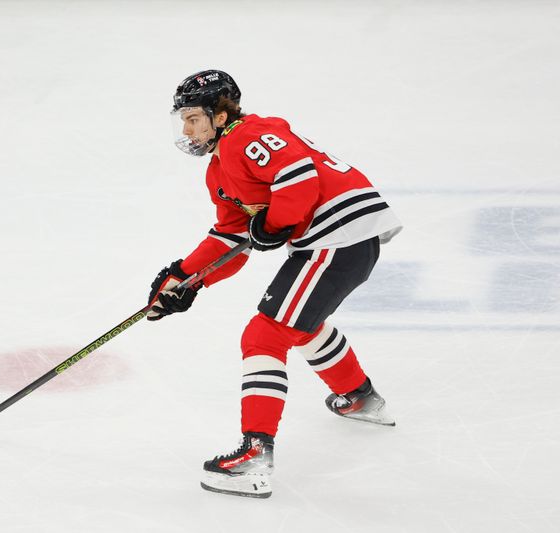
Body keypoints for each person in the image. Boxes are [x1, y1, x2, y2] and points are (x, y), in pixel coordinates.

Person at [146, 70, 403, 499]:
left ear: (222, 113)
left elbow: (299, 178)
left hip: (338, 235)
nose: (187, 129)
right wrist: (184, 279)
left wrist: (275, 222)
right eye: (183, 120)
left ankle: (254, 457)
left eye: (194, 118)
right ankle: (359, 398)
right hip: (339, 240)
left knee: (264, 333)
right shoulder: (221, 169)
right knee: (298, 323)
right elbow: (231, 238)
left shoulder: (249, 135)